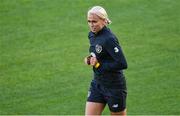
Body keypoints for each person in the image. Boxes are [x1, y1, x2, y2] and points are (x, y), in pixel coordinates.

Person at [84, 6, 128, 115]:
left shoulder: (109, 39)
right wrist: (90, 59)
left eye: (94, 21)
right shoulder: (91, 35)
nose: (91, 24)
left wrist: (99, 65)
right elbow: (99, 53)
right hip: (98, 83)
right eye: (89, 21)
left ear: (104, 21)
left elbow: (122, 63)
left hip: (114, 87)